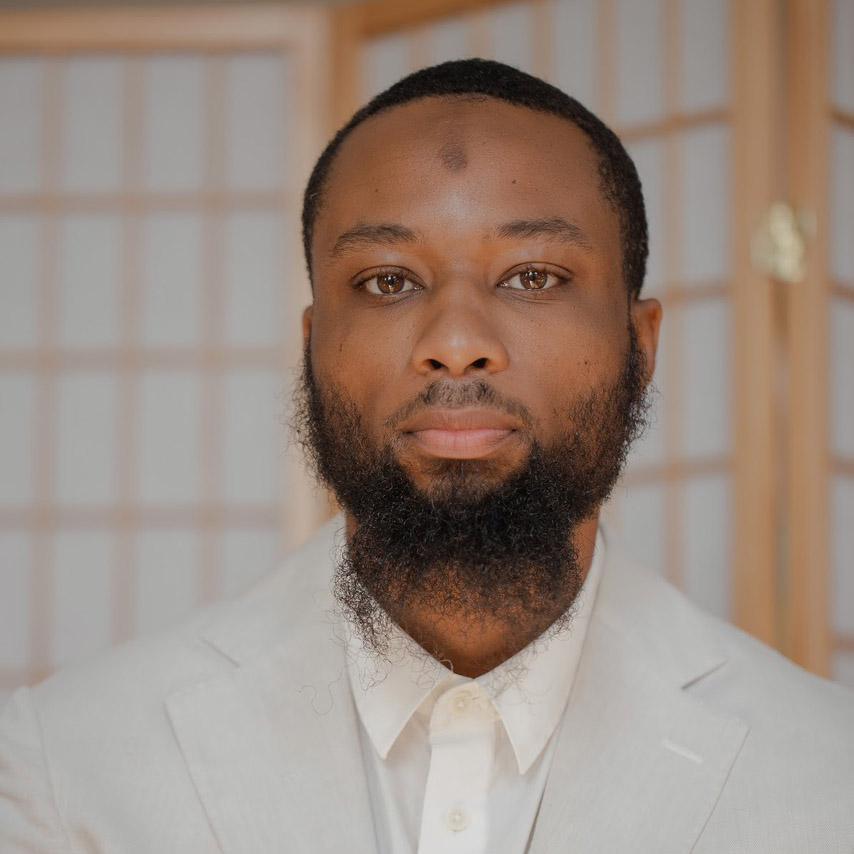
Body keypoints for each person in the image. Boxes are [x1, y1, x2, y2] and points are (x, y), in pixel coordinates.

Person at [1, 58, 852, 853]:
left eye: (534, 276)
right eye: (386, 281)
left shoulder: (826, 775)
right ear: (313, 347)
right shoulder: (66, 765)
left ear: (640, 345)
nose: (454, 343)